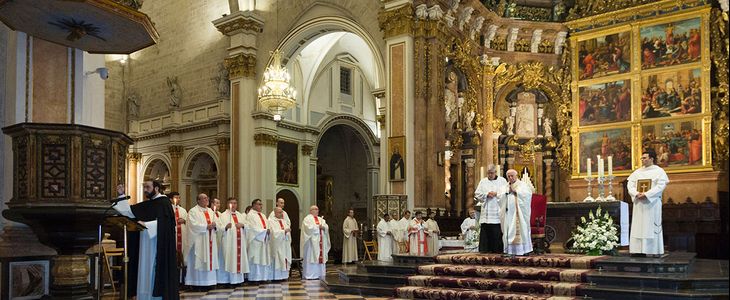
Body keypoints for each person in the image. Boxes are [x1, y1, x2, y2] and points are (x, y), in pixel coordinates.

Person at [112, 181, 179, 300]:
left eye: (148, 187)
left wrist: (146, 224)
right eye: (144, 187)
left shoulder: (164, 203)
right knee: (143, 268)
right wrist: (122, 195)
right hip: (144, 242)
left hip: (157, 243)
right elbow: (129, 212)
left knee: (153, 268)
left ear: (157, 188)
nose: (145, 190)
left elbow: (166, 224)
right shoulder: (149, 204)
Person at [627, 150, 669, 257]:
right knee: (638, 226)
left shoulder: (659, 171)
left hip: (652, 204)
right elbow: (630, 185)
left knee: (651, 226)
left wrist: (647, 194)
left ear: (652, 159)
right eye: (642, 158)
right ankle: (637, 250)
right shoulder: (637, 172)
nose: (642, 160)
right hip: (639, 204)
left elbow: (660, 186)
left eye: (645, 158)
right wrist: (636, 194)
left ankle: (653, 250)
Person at [185, 193, 219, 289]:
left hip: (210, 240)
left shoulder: (211, 211)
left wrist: (215, 225)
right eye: (204, 198)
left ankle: (210, 282)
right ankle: (197, 283)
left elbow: (218, 223)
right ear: (198, 200)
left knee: (210, 260)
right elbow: (193, 225)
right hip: (199, 241)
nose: (206, 200)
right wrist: (206, 227)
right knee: (199, 260)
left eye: (207, 198)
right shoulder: (193, 211)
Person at [475, 164, 507, 253]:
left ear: (495, 172)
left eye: (491, 173)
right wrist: (486, 194)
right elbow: (477, 193)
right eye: (488, 173)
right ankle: (485, 250)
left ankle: (497, 250)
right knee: (486, 230)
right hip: (486, 210)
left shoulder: (502, 181)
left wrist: (496, 194)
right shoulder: (483, 181)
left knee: (496, 231)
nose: (490, 175)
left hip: (497, 209)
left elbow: (506, 193)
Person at [501, 169, 533, 256]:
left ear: (516, 176)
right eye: (508, 176)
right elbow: (500, 197)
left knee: (520, 230)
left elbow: (528, 194)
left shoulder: (522, 185)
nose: (510, 178)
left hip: (519, 213)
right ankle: (510, 251)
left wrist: (516, 192)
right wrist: (506, 193)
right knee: (508, 230)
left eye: (512, 176)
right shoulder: (505, 186)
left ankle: (522, 250)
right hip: (508, 214)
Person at [219, 197, 248, 285]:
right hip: (229, 242)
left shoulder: (240, 215)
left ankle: (239, 280)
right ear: (227, 204)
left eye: (235, 203)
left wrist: (243, 225)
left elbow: (247, 226)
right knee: (229, 259)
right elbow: (219, 227)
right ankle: (227, 281)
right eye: (231, 203)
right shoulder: (223, 215)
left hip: (240, 242)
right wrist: (225, 227)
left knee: (239, 259)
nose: (233, 205)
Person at [301, 205, 331, 280]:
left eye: (317, 209)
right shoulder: (307, 219)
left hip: (320, 241)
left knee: (320, 257)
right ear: (311, 211)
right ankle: (310, 275)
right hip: (311, 244)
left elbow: (326, 227)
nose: (317, 211)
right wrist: (318, 227)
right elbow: (307, 229)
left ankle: (320, 274)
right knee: (312, 257)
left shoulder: (321, 219)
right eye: (315, 209)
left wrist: (323, 227)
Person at [246, 199, 272, 282]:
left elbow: (268, 225)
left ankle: (263, 277)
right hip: (255, 241)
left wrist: (268, 230)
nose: (261, 206)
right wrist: (264, 231)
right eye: (259, 204)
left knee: (263, 259)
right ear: (253, 205)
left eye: (261, 204)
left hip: (263, 240)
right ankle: (255, 278)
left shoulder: (263, 215)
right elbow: (251, 228)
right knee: (256, 259)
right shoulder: (250, 215)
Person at [168, 192, 190, 285]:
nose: (178, 199)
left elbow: (189, 222)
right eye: (176, 197)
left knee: (183, 257)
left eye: (179, 197)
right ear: (170, 199)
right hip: (173, 235)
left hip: (183, 235)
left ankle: (182, 280)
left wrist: (184, 220)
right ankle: (173, 280)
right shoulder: (168, 209)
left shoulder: (183, 210)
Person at [209, 198, 229, 285]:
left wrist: (225, 228)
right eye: (216, 203)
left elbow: (221, 226)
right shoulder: (209, 213)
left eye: (219, 203)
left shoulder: (220, 214)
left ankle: (219, 278)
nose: (218, 205)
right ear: (212, 204)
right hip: (212, 239)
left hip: (220, 239)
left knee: (219, 259)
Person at [269, 207, 292, 281]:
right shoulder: (271, 221)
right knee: (278, 259)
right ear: (275, 213)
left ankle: (284, 276)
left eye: (282, 212)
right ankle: (277, 277)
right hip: (277, 245)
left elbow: (287, 232)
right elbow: (273, 233)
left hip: (285, 244)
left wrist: (287, 233)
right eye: (279, 212)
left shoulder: (284, 221)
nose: (281, 214)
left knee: (285, 258)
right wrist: (283, 232)